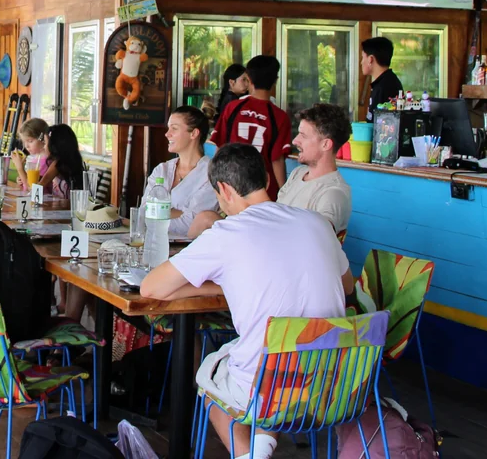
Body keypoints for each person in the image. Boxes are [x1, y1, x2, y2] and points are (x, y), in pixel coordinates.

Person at [140, 144, 353, 459]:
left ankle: (251, 456)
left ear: (223, 190)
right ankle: (261, 447)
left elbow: (150, 288)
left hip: (271, 383)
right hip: (335, 383)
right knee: (256, 360)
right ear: (266, 178)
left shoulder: (227, 233)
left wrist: (208, 286)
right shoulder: (317, 223)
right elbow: (346, 285)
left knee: (213, 381)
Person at [208, 55, 292, 200]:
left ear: (249, 79)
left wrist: (216, 182)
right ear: (275, 81)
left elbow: (220, 147)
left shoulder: (233, 108)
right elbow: (277, 160)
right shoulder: (279, 116)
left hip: (231, 185)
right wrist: (284, 193)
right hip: (263, 190)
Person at [277, 103, 352, 235]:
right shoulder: (298, 173)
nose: (295, 141)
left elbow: (317, 241)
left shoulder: (333, 193)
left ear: (326, 144)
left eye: (303, 136)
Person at [146, 106, 218, 239]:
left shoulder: (210, 173)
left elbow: (190, 223)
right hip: (153, 244)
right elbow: (143, 213)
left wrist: (157, 214)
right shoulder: (161, 170)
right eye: (168, 128)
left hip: (188, 251)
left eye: (174, 128)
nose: (167, 134)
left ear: (194, 134)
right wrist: (179, 212)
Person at [361, 36, 402, 122]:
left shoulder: (386, 86)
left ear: (370, 59)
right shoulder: (382, 83)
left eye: (363, 57)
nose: (361, 62)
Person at [11, 118, 51, 191]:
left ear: (43, 139)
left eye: (30, 141)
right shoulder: (34, 158)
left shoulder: (46, 162)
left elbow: (31, 189)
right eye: (24, 142)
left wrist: (20, 168)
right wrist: (21, 179)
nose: (26, 146)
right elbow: (27, 180)